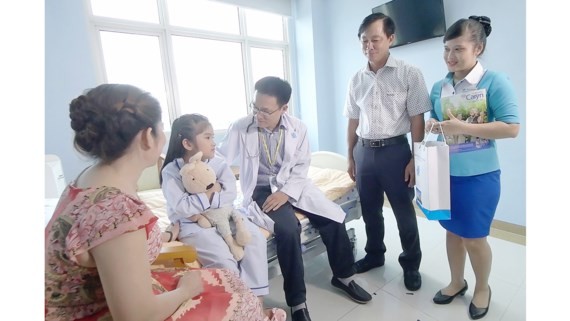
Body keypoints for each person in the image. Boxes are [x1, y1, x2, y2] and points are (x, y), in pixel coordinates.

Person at [44, 84, 286, 321]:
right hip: (108, 310)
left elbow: (112, 247)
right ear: (148, 137)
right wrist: (186, 290)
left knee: (235, 278)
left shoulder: (87, 180)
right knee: (231, 290)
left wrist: (166, 235)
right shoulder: (118, 210)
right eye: (161, 128)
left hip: (108, 295)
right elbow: (136, 315)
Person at [217, 76, 372, 321]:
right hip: (260, 190)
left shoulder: (298, 127)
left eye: (265, 111)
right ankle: (297, 302)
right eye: (254, 107)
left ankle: (344, 276)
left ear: (284, 108)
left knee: (332, 217)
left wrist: (286, 192)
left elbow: (302, 165)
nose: (258, 114)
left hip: (293, 184)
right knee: (289, 230)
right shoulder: (241, 127)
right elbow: (220, 158)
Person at [426, 16, 520, 320]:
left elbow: (511, 128)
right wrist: (434, 126)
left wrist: (463, 126)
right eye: (446, 50)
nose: (450, 57)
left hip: (479, 177)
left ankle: (482, 287)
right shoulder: (441, 86)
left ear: (477, 48)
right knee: (452, 232)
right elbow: (436, 124)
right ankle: (456, 281)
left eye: (458, 49)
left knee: (474, 237)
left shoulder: (495, 81)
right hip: (444, 172)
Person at [344, 12, 431, 291]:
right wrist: (350, 155)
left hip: (396, 152)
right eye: (364, 40)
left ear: (390, 39)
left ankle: (411, 264)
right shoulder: (356, 79)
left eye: (376, 39)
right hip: (364, 151)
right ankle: (374, 255)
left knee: (404, 213)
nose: (369, 46)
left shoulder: (409, 73)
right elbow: (353, 120)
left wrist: (416, 159)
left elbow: (418, 119)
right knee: (370, 211)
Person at [160, 113, 270, 298]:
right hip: (194, 224)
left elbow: (230, 194)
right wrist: (212, 192)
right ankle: (237, 306)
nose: (214, 142)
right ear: (187, 144)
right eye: (208, 137)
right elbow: (183, 207)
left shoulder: (218, 163)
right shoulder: (171, 171)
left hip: (225, 214)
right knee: (223, 261)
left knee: (255, 239)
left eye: (213, 136)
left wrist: (204, 199)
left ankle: (255, 302)